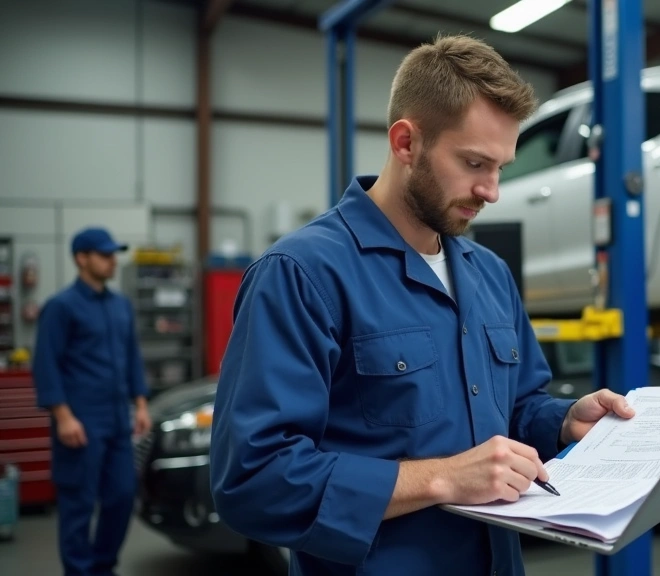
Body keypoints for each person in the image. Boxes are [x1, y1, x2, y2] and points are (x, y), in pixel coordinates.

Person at [208, 34, 636, 576]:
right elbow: (253, 479)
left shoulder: (490, 275)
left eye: (500, 167)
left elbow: (515, 409)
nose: (492, 191)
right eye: (474, 163)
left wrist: (561, 422)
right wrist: (442, 478)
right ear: (406, 143)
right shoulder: (302, 274)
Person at [32, 227, 152, 576]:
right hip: (80, 420)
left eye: (114, 254)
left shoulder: (120, 306)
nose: (112, 260)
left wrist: (141, 403)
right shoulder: (61, 307)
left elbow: (132, 356)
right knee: (78, 503)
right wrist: (63, 416)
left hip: (117, 420)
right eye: (104, 254)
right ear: (81, 258)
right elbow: (46, 364)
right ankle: (78, 570)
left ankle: (102, 567)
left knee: (121, 497)